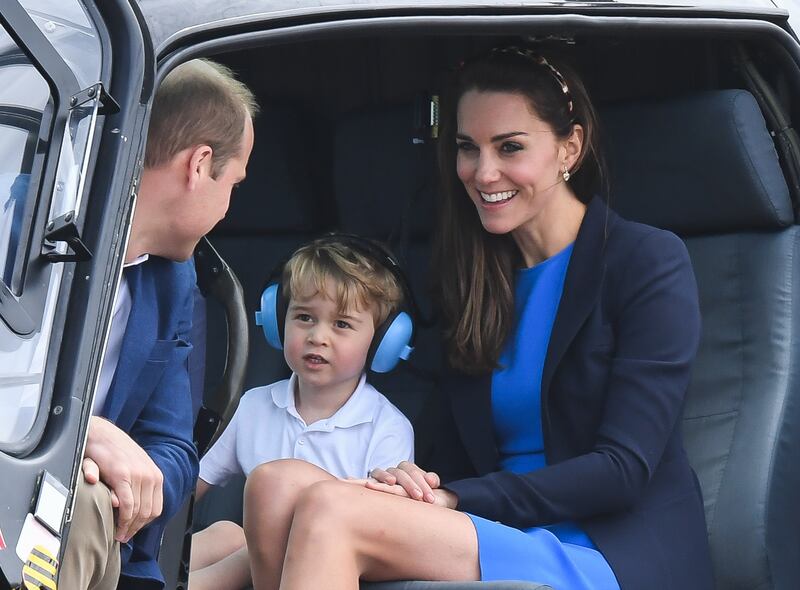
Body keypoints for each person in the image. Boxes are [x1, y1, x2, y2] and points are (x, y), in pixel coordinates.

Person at [240, 46, 715, 590]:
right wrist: (415, 482)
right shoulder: (476, 277)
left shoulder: (647, 261)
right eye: (468, 148)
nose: (483, 173)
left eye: (509, 147)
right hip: (487, 528)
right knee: (275, 485)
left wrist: (456, 497)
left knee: (329, 511)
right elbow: (449, 447)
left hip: (607, 548)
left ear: (571, 147)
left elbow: (623, 470)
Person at [59, 58, 257, 590]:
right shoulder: (25, 228)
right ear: (199, 165)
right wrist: (78, 434)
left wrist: (127, 479)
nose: (227, 209)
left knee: (85, 505)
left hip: (106, 529)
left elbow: (172, 448)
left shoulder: (172, 282)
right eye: (233, 184)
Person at [188, 235, 415, 590]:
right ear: (278, 321)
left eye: (342, 324)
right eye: (305, 317)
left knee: (245, 549)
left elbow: (383, 535)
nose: (318, 336)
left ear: (384, 341)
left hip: (332, 570)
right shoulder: (253, 407)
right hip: (263, 565)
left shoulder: (386, 427)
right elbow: (190, 489)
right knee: (224, 534)